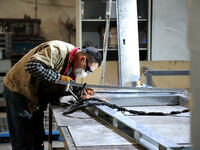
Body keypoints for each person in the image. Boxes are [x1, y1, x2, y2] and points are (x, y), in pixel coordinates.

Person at [3, 40, 102, 150]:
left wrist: (78, 90)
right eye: (87, 70)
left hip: (34, 96)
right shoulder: (57, 50)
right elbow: (32, 66)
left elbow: (63, 82)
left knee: (37, 138)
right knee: (23, 139)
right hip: (18, 90)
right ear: (83, 59)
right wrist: (59, 79)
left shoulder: (72, 63)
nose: (86, 73)